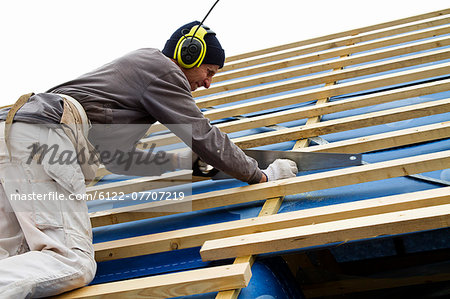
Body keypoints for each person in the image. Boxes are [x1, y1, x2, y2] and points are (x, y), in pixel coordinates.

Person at [0, 21, 298, 297]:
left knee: (14, 257)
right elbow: (202, 134)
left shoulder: (133, 77)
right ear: (188, 54)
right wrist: (260, 175)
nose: (208, 83)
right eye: (209, 71)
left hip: (13, 134)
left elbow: (117, 159)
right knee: (72, 262)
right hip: (43, 135)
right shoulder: (162, 70)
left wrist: (185, 166)